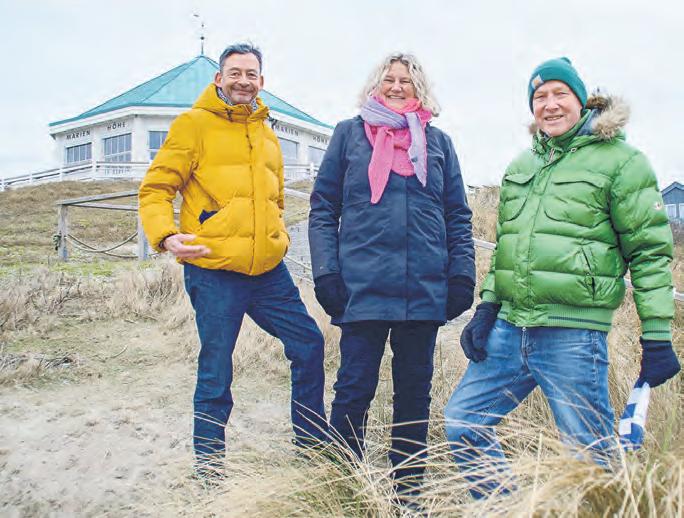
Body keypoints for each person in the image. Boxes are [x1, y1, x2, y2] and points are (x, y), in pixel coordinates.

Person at [444, 57, 681, 498]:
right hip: (510, 328)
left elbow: (650, 254)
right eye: (540, 97)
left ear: (581, 100)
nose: (550, 105)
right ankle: (509, 508)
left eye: (560, 94)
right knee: (463, 423)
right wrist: (487, 306)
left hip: (573, 334)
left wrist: (656, 335)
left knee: (591, 461)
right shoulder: (522, 166)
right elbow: (506, 247)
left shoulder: (622, 162)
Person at [138, 43, 327, 477]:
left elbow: (275, 198)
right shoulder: (193, 125)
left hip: (269, 272)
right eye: (235, 73)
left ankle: (312, 449)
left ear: (262, 81)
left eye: (251, 74)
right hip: (213, 269)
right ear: (219, 78)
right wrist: (166, 236)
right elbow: (155, 189)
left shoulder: (267, 132)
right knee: (216, 369)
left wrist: (277, 235)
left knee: (309, 344)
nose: (244, 81)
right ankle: (210, 470)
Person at [308, 52, 475, 498]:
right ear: (375, 86)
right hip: (360, 289)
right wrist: (326, 274)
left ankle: (408, 493)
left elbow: (457, 215)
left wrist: (461, 276)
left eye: (406, 80)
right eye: (389, 79)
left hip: (422, 291)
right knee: (353, 390)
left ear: (420, 88)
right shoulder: (348, 135)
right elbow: (323, 208)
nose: (398, 86)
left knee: (414, 396)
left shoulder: (439, 144)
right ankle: (344, 487)